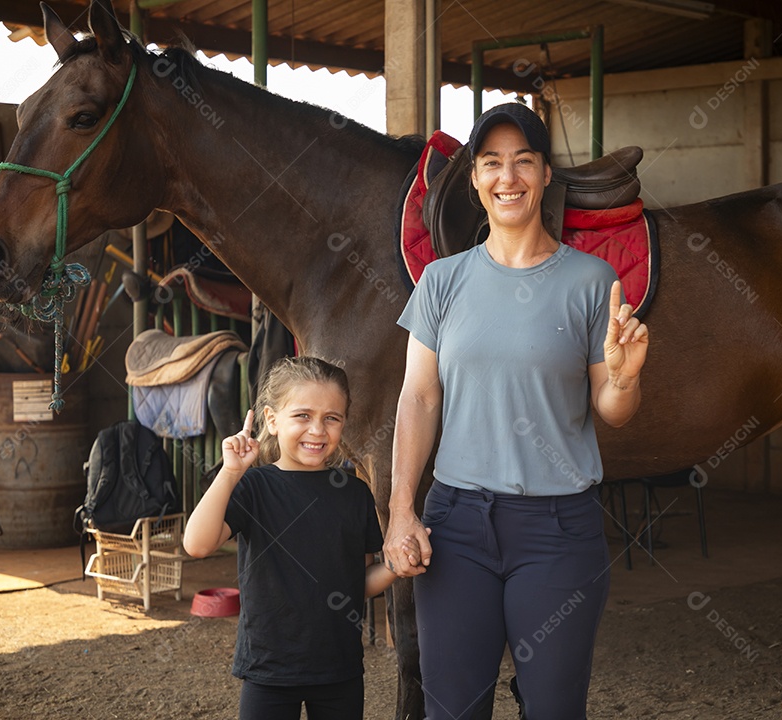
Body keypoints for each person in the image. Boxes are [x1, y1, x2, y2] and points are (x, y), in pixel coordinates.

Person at [384, 102, 650, 720]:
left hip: (558, 530)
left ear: (545, 175)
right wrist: (402, 511)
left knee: (554, 710)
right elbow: (418, 397)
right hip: (457, 528)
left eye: (523, 161)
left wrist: (625, 378)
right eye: (492, 163)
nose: (509, 177)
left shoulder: (591, 280)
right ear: (475, 179)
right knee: (452, 709)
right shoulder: (441, 283)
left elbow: (612, 411)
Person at [184, 356, 418, 720]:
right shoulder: (253, 487)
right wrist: (230, 473)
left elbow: (359, 584)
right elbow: (197, 545)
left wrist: (396, 565)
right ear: (272, 420)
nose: (318, 430)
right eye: (303, 416)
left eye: (332, 418)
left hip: (339, 670)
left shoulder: (355, 494)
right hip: (269, 670)